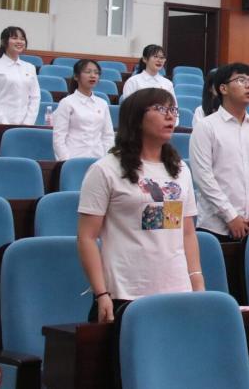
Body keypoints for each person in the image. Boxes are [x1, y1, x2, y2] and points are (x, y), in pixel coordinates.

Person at [77, 88, 203, 323]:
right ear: (136, 118)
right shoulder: (105, 169)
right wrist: (101, 293)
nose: (170, 116)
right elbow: (86, 237)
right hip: (125, 292)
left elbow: (187, 232)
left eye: (173, 110)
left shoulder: (180, 169)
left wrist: (196, 280)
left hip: (177, 288)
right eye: (160, 109)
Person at [189, 63, 249, 241]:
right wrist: (230, 216)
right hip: (215, 227)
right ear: (223, 88)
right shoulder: (206, 127)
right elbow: (203, 177)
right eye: (241, 80)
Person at [52, 59, 114, 160]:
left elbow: (108, 135)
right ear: (76, 76)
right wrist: (66, 161)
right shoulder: (67, 102)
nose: (93, 75)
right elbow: (58, 138)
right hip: (73, 158)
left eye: (96, 73)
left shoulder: (102, 103)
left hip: (98, 159)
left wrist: (105, 159)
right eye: (88, 72)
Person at [0, 26, 40, 125]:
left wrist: (28, 123)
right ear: (4, 42)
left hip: (24, 125)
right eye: (14, 38)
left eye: (22, 39)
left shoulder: (30, 67)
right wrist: (4, 123)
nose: (19, 41)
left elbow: (35, 97)